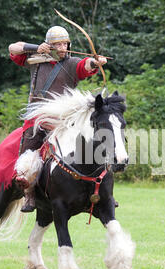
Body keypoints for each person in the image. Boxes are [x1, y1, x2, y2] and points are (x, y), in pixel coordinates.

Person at [8, 26, 107, 212]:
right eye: (57, 44)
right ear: (48, 45)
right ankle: (28, 193)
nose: (62, 48)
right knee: (29, 147)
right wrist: (36, 47)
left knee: (89, 143)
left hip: (63, 120)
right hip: (38, 118)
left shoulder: (71, 63)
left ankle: (100, 191)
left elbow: (84, 65)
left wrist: (95, 63)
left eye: (65, 44)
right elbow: (13, 47)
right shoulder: (35, 59)